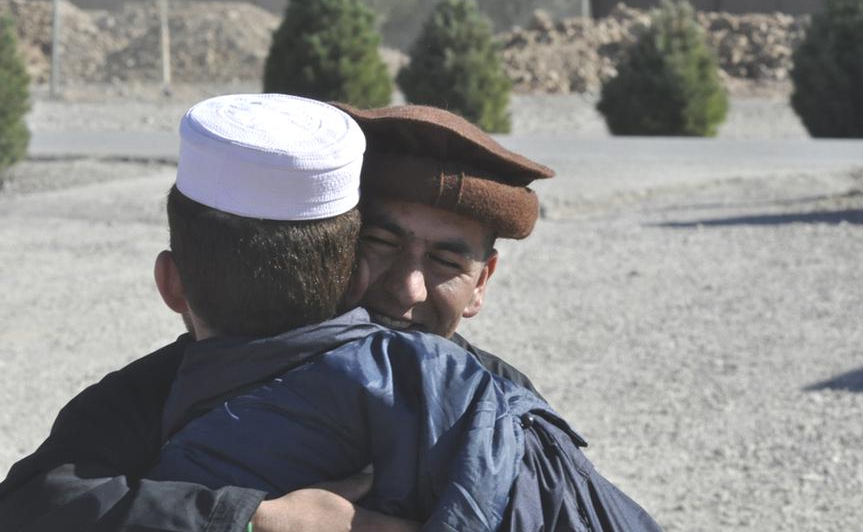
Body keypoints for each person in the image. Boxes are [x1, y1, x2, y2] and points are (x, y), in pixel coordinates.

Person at [0, 99, 660, 531]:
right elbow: (37, 502)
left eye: (445, 263)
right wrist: (257, 520)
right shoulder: (193, 378)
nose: (407, 288)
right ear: (333, 250)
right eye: (380, 244)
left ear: (482, 282)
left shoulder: (489, 412)